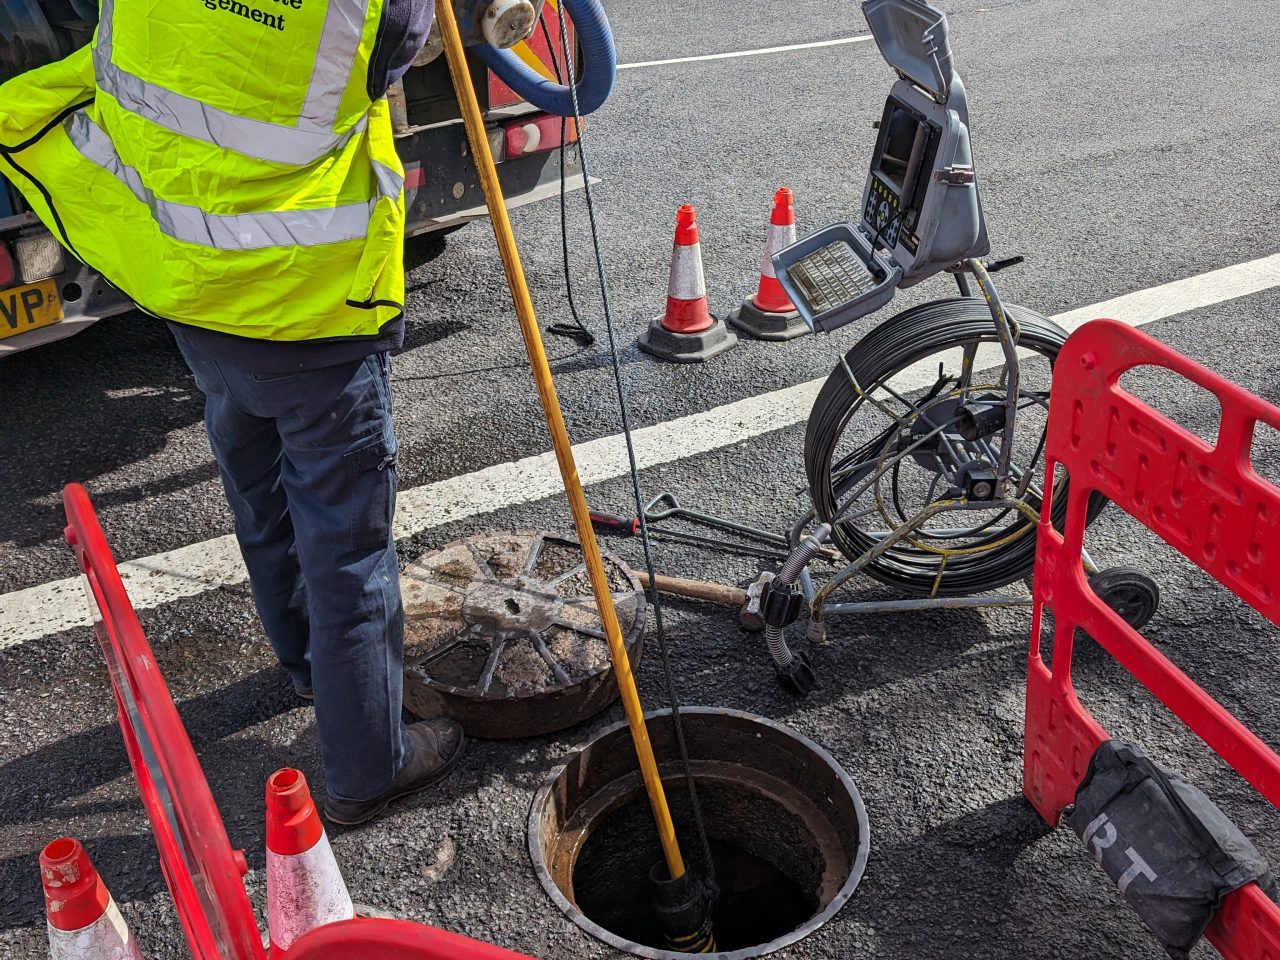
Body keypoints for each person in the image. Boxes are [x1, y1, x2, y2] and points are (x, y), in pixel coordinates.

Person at [0, 0, 465, 825]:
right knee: (347, 546)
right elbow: (398, 56)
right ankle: (370, 767)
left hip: (190, 284)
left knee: (259, 490)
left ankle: (304, 664)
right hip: (306, 303)